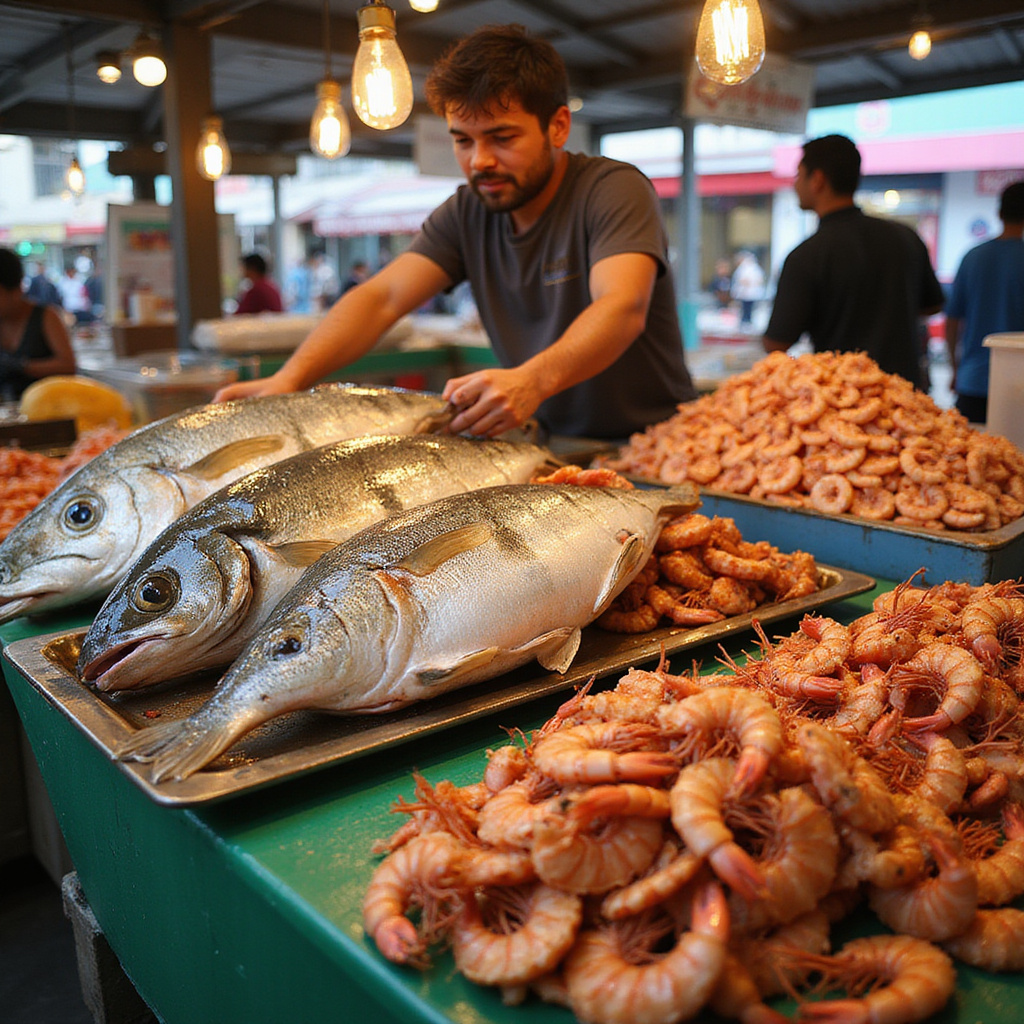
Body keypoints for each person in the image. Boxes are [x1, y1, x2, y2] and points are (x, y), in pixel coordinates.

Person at [215, 24, 696, 440]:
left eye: (502, 138)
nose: (479, 161)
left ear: (559, 126)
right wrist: (291, 378)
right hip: (550, 442)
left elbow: (622, 307)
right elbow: (381, 297)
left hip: (655, 441)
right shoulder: (468, 212)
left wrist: (531, 381)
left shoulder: (612, 188)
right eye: (463, 141)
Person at [762, 134, 944, 390]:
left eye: (798, 175)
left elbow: (776, 343)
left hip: (844, 402)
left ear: (817, 180)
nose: (795, 185)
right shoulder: (905, 238)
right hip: (907, 396)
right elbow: (932, 305)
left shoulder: (806, 255)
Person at [944, 180, 1024, 424]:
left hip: (973, 381)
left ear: (999, 212)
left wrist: (955, 369)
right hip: (1018, 385)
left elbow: (952, 320)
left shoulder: (973, 257)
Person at [0, 247, 77, 402]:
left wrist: (22, 366)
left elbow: (68, 365)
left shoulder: (46, 316)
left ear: (15, 290)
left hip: (46, 410)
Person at [731, 250, 765, 329]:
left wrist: (749, 283)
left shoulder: (752, 268)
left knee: (749, 309)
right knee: (744, 309)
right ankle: (744, 321)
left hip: (750, 293)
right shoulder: (743, 268)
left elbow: (758, 280)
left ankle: (747, 322)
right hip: (745, 293)